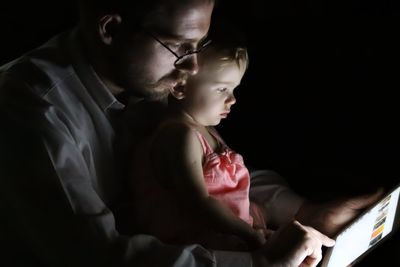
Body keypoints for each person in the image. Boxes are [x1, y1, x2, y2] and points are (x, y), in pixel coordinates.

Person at [0, 0, 382, 266]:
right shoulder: (31, 113)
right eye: (181, 46)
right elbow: (97, 256)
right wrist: (255, 262)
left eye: (199, 45)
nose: (194, 66)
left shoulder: (149, 76)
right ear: (111, 28)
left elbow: (211, 166)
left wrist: (305, 211)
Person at [126, 22, 271, 251]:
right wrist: (250, 236)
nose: (232, 99)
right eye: (222, 89)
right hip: (199, 250)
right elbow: (199, 204)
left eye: (234, 89)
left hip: (232, 238)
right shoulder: (178, 136)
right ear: (180, 87)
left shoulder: (205, 129)